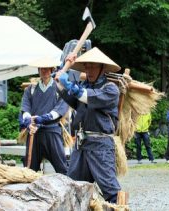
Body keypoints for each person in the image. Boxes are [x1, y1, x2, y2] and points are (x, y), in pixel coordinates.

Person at [56, 47, 121, 203]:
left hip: (101, 146)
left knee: (110, 190)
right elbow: (72, 98)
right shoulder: (84, 86)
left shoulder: (111, 89)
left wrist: (70, 85)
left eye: (93, 66)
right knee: (74, 187)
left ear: (102, 68)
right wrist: (58, 81)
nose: (89, 70)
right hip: (81, 145)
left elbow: (86, 97)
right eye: (87, 66)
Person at [20, 57, 69, 174]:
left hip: (52, 132)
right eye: (42, 68)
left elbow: (58, 111)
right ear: (39, 69)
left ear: (52, 69)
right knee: (29, 169)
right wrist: (28, 122)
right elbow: (25, 109)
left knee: (62, 169)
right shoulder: (31, 89)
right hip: (34, 133)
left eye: (47, 68)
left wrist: (41, 119)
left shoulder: (60, 88)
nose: (44, 71)